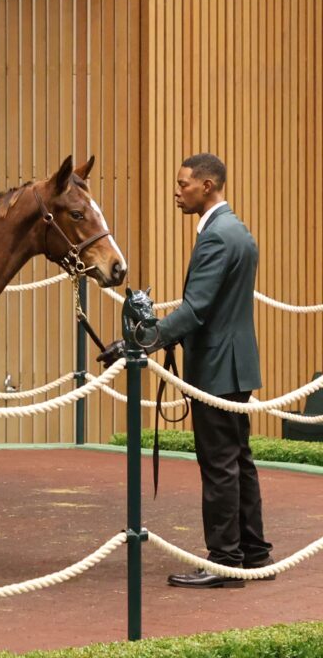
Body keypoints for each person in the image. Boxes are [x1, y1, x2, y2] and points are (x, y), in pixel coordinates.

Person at [155, 153, 273, 588]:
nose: (177, 191)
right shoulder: (237, 230)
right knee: (239, 460)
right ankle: (255, 553)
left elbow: (197, 308)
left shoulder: (216, 237)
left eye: (183, 184)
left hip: (217, 369)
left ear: (208, 186)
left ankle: (225, 561)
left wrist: (147, 338)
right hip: (236, 365)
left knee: (220, 463)